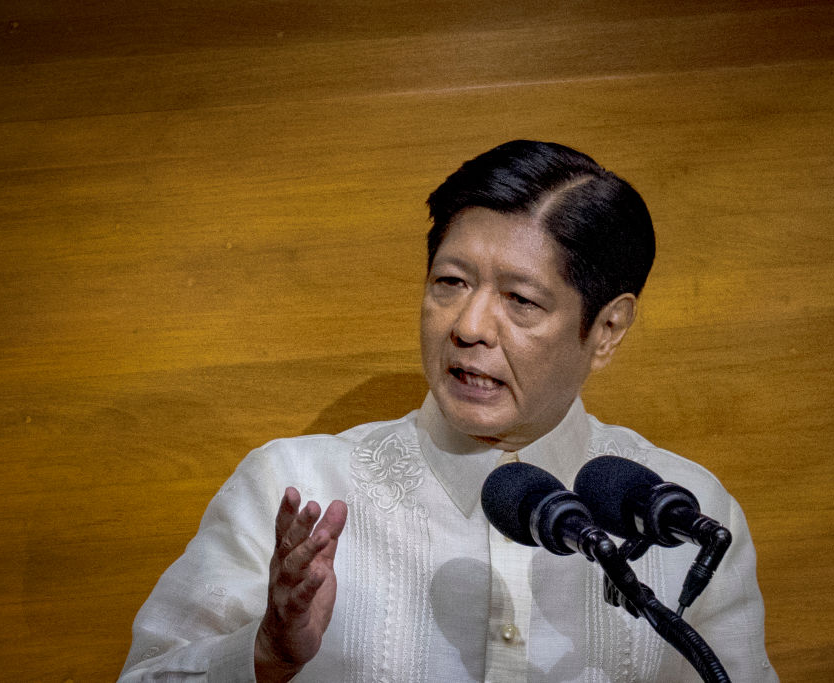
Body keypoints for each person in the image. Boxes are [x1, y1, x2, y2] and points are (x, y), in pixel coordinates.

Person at [119, 140, 777, 682]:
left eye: (520, 300)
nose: (467, 326)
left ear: (606, 329)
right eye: (450, 282)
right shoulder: (293, 488)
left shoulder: (686, 513)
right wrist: (264, 655)